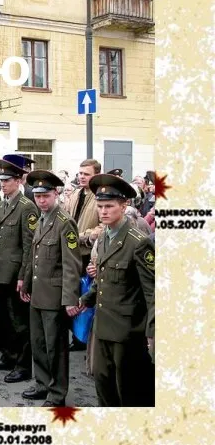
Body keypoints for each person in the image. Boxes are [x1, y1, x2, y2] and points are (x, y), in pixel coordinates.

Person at [77, 174, 155, 407]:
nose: (103, 211)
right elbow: (104, 279)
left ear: (124, 205)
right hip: (102, 327)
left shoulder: (138, 242)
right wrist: (87, 298)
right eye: (100, 206)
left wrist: (152, 332)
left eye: (109, 206)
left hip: (127, 332)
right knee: (103, 383)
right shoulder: (103, 238)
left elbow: (152, 292)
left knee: (129, 390)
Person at [20, 171, 81, 406]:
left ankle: (57, 393)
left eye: (45, 196)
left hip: (55, 297)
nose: (41, 201)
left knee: (56, 348)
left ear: (56, 194)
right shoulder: (43, 218)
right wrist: (26, 283)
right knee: (39, 343)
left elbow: (71, 265)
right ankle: (43, 384)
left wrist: (69, 299)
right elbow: (34, 255)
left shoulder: (65, 223)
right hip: (38, 293)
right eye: (38, 197)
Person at [0, 157, 38, 383]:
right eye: (2, 180)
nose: (3, 184)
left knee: (20, 322)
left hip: (16, 273)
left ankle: (23, 365)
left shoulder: (27, 207)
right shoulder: (1, 203)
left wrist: (24, 277)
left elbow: (28, 246)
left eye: (7, 180)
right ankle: (8, 356)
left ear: (18, 180)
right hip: (1, 271)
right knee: (4, 319)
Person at [64, 159, 103, 351]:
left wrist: (84, 237)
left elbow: (103, 226)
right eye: (80, 173)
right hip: (72, 253)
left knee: (87, 296)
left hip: (89, 254)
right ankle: (76, 335)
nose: (81, 177)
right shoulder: (75, 194)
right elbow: (66, 218)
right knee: (73, 292)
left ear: (96, 175)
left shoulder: (100, 196)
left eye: (86, 174)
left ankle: (85, 338)